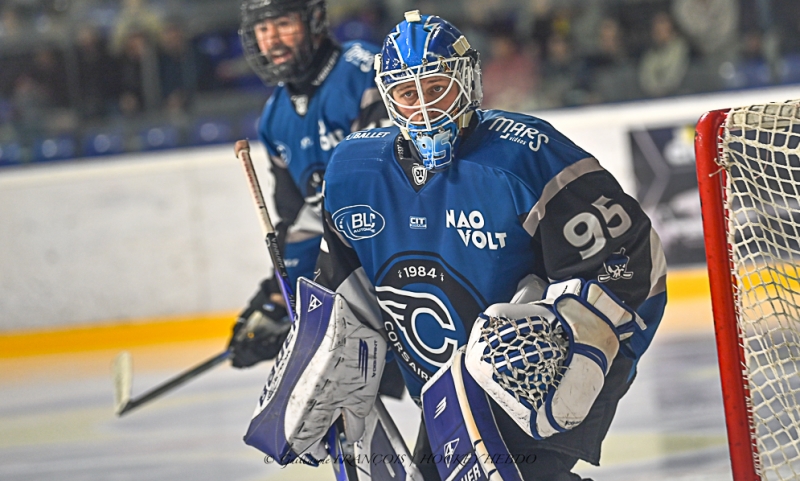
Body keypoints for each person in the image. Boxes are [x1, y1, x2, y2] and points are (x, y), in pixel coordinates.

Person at [311, 11, 667, 480]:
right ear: (389, 100)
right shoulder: (353, 170)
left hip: (535, 366)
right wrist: (324, 362)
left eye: (436, 87)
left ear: (467, 82)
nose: (424, 108)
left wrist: (581, 336)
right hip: (449, 386)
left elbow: (631, 261)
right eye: (406, 93)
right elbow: (340, 292)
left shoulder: (526, 155)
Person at [226, 0, 392, 373]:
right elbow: (297, 215)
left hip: (398, 257)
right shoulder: (273, 117)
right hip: (347, 266)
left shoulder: (365, 71)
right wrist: (273, 297)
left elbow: (388, 188)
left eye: (282, 24)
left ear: (314, 20)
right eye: (263, 30)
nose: (273, 40)